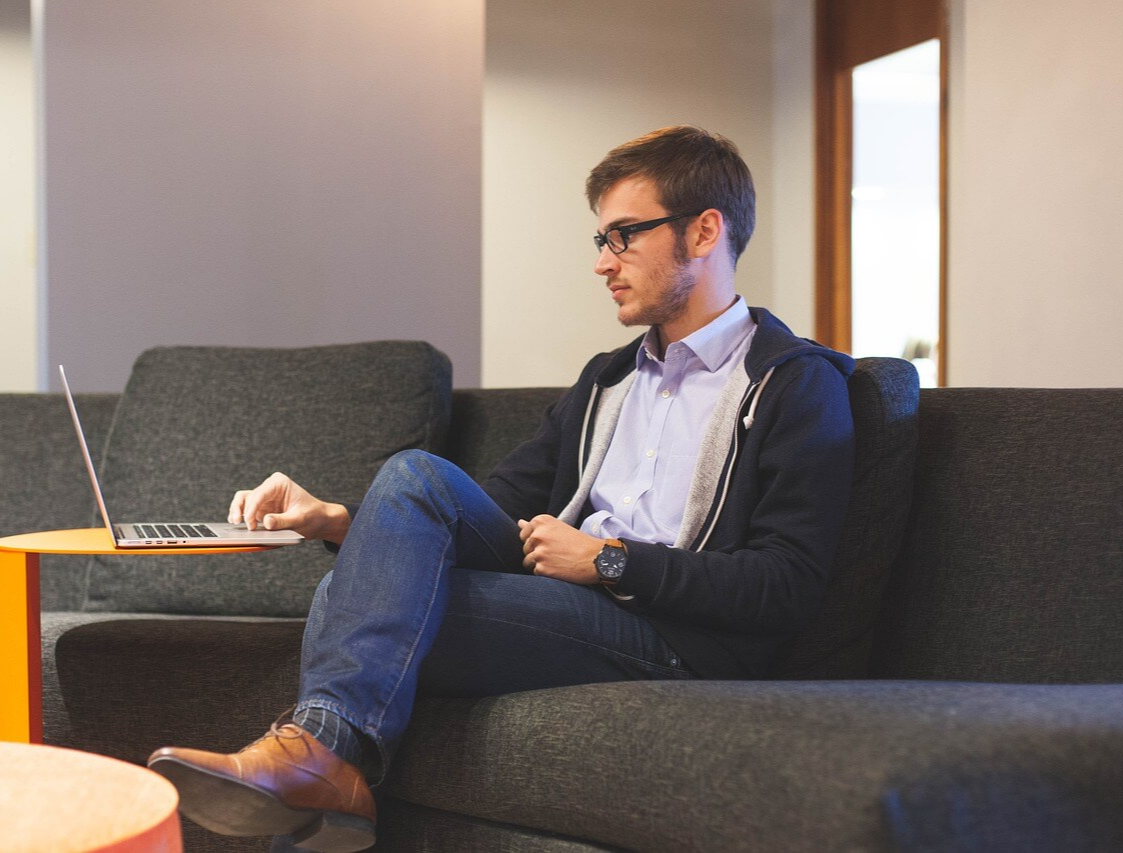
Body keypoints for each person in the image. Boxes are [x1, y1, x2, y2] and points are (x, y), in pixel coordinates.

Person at [148, 125, 856, 852]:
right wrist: (333, 519)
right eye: (599, 240)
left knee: (348, 602)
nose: (602, 263)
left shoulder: (792, 383)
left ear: (704, 230)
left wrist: (608, 559)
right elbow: (474, 506)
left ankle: (321, 764)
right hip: (572, 601)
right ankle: (326, 768)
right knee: (413, 480)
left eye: (623, 236)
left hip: (681, 637)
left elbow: (786, 584)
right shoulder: (608, 379)